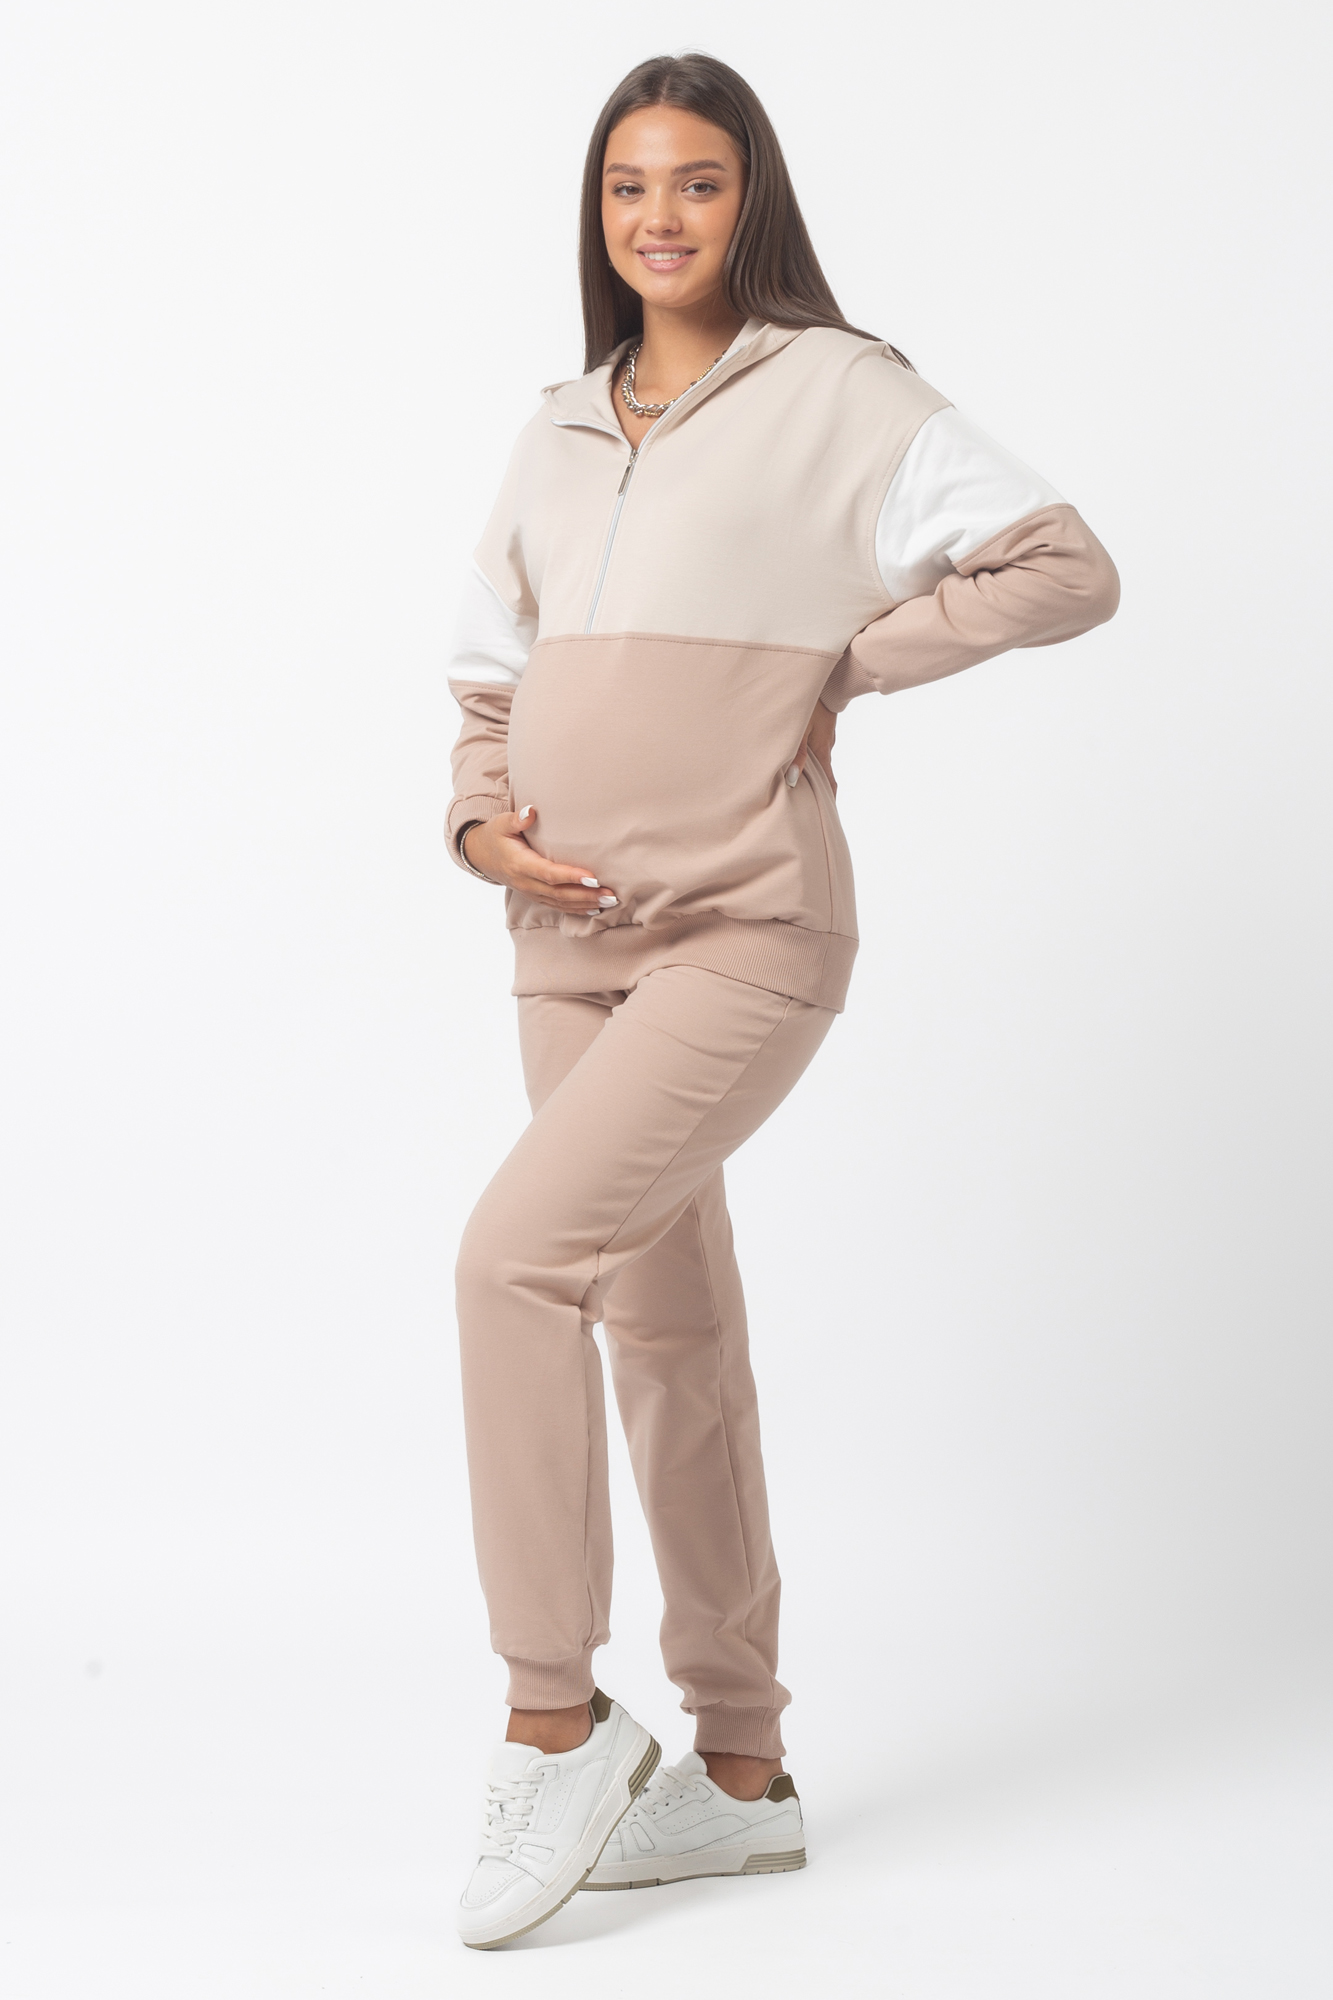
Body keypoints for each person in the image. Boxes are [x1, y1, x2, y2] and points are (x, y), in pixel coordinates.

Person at [445, 52, 1119, 1949]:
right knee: (666, 1329)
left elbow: (1065, 567)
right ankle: (738, 1774)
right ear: (596, 213)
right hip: (564, 941)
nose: (658, 217)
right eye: (627, 186)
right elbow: (487, 679)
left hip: (744, 926)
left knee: (511, 1263)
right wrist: (479, 827)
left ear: (753, 199)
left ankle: (553, 1719)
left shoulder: (836, 388)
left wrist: (849, 660)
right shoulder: (556, 427)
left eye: (697, 182)